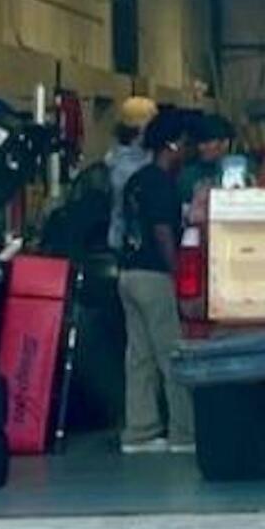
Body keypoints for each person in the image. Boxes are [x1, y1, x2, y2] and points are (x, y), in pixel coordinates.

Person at [117, 111, 195, 455]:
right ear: (172, 144)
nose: (186, 152)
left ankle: (140, 431)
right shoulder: (163, 183)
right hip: (154, 276)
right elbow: (163, 231)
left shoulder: (136, 179)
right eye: (185, 145)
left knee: (139, 358)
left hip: (128, 274)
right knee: (172, 355)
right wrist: (177, 274)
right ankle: (184, 432)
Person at [105, 96, 158, 253]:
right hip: (128, 242)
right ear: (142, 129)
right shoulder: (128, 165)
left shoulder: (113, 157)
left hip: (116, 239)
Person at [177, 114, 235, 207]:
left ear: (225, 143)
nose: (201, 148)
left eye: (207, 142)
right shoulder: (188, 174)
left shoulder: (242, 169)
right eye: (199, 142)